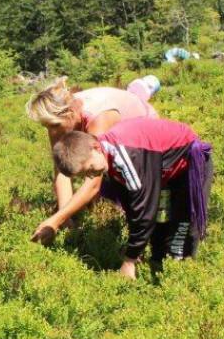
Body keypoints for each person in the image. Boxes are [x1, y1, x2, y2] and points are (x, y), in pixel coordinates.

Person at [50, 117, 213, 277]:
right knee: (159, 228)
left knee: (181, 228)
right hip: (163, 168)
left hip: (188, 163)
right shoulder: (106, 155)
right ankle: (158, 269)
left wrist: (129, 260)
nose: (91, 175)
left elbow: (144, 212)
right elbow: (132, 206)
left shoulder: (126, 158)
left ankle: (179, 281)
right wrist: (135, 249)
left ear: (96, 148)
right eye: (85, 174)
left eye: (90, 168)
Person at [26, 77, 159, 243]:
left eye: (53, 126)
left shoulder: (98, 120)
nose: (51, 132)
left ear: (69, 113)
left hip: (143, 127)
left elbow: (94, 183)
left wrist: (55, 220)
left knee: (116, 173)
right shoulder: (57, 120)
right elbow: (62, 170)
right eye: (47, 127)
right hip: (117, 110)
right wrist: (66, 218)